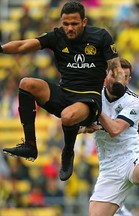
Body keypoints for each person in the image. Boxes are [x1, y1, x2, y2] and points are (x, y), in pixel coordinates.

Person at [1, 1, 125, 181]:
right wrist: (2, 49)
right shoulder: (56, 36)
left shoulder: (101, 36)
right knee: (26, 83)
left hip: (88, 100)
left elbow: (116, 67)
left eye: (74, 24)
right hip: (64, 93)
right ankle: (30, 145)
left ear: (84, 22)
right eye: (65, 24)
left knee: (67, 116)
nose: (69, 28)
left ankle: (68, 152)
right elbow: (22, 46)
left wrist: (119, 83)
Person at [80, 58, 139, 216]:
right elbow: (71, 124)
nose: (118, 80)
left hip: (131, 155)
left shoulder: (134, 100)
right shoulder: (93, 95)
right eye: (115, 75)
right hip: (109, 165)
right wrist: (81, 126)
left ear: (128, 80)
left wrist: (96, 109)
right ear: (107, 74)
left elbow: (115, 129)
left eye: (124, 77)